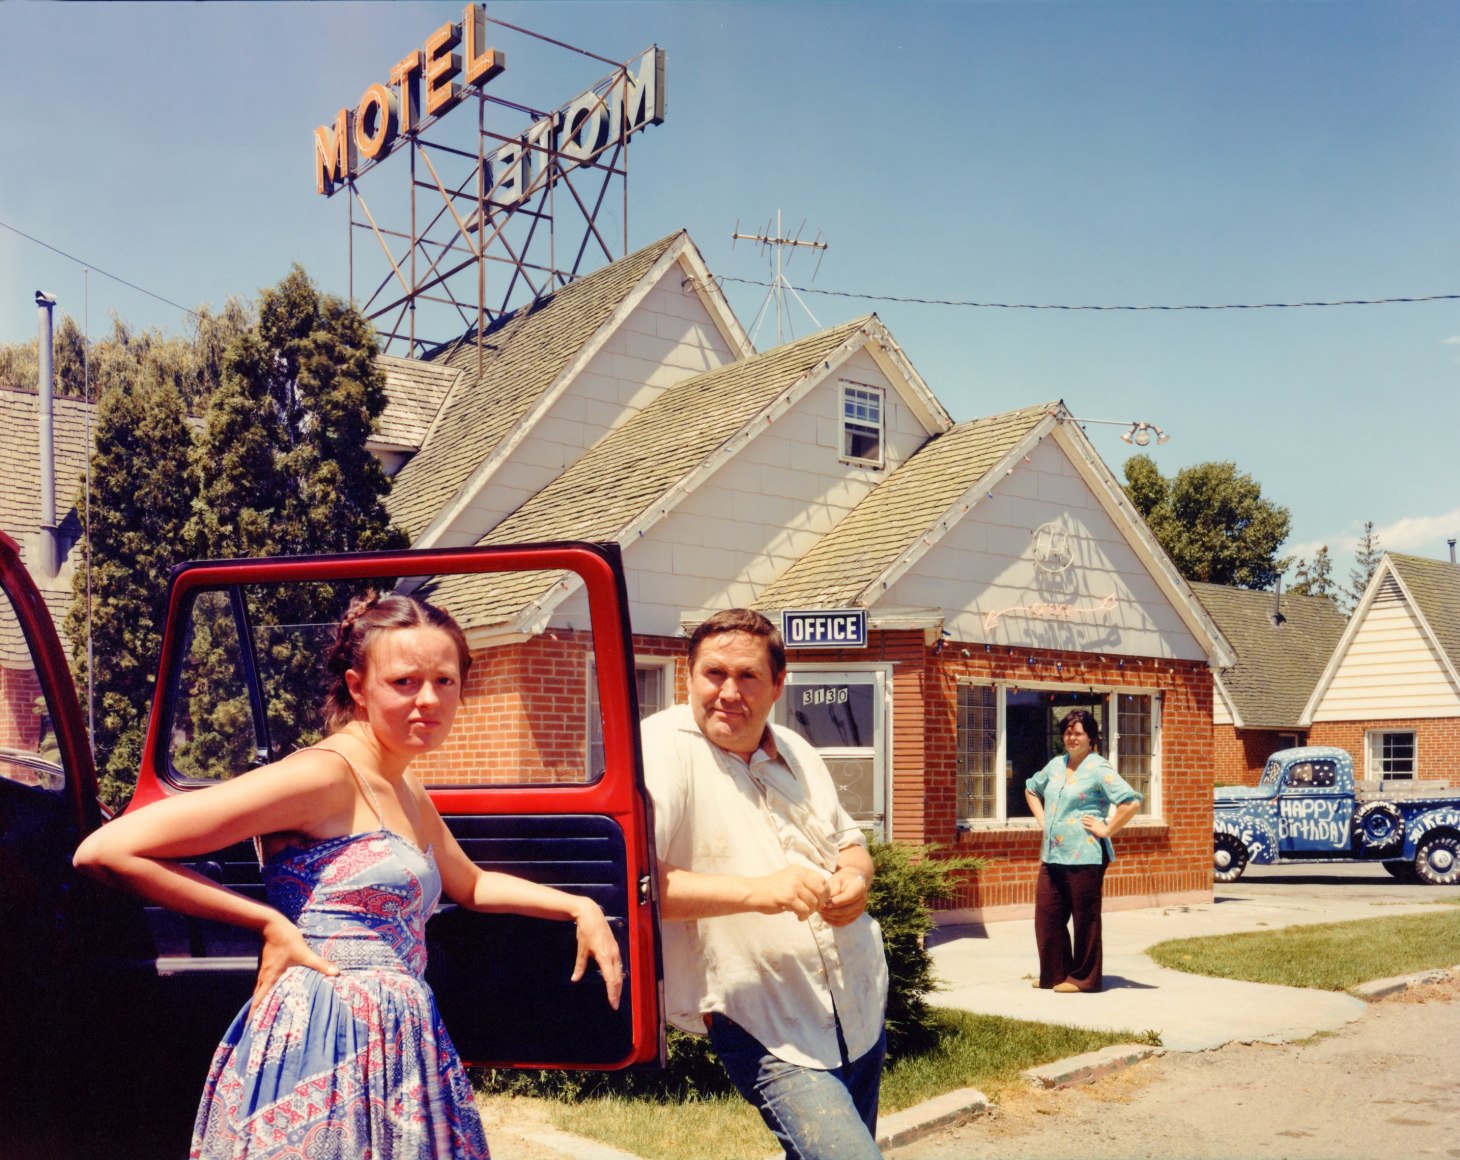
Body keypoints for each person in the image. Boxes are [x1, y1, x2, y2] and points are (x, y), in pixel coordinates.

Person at [74, 592, 623, 1160]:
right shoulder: (321, 775)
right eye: (404, 682)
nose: (428, 700)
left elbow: (471, 884)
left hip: (400, 1035)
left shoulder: (404, 784)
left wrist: (578, 906)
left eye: (445, 681)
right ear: (358, 687)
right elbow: (110, 849)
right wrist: (268, 923)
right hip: (321, 1028)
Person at [640, 609, 888, 1160]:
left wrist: (855, 877)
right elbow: (633, 883)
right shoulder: (660, 748)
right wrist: (761, 891)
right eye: (713, 673)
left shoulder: (796, 748)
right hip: (758, 1015)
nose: (728, 691)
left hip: (856, 1000)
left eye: (748, 676)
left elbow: (850, 841)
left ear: (778, 683)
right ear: (688, 675)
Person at [1024, 708, 1142, 993]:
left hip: (1086, 854)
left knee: (1085, 919)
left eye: (1078, 733)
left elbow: (1131, 802)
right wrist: (1043, 820)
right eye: (1067, 732)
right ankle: (1054, 974)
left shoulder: (1098, 768)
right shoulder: (1055, 765)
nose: (1071, 737)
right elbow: (1031, 789)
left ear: (1091, 738)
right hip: (1052, 854)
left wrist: (1106, 829)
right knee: (1047, 916)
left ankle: (1084, 979)